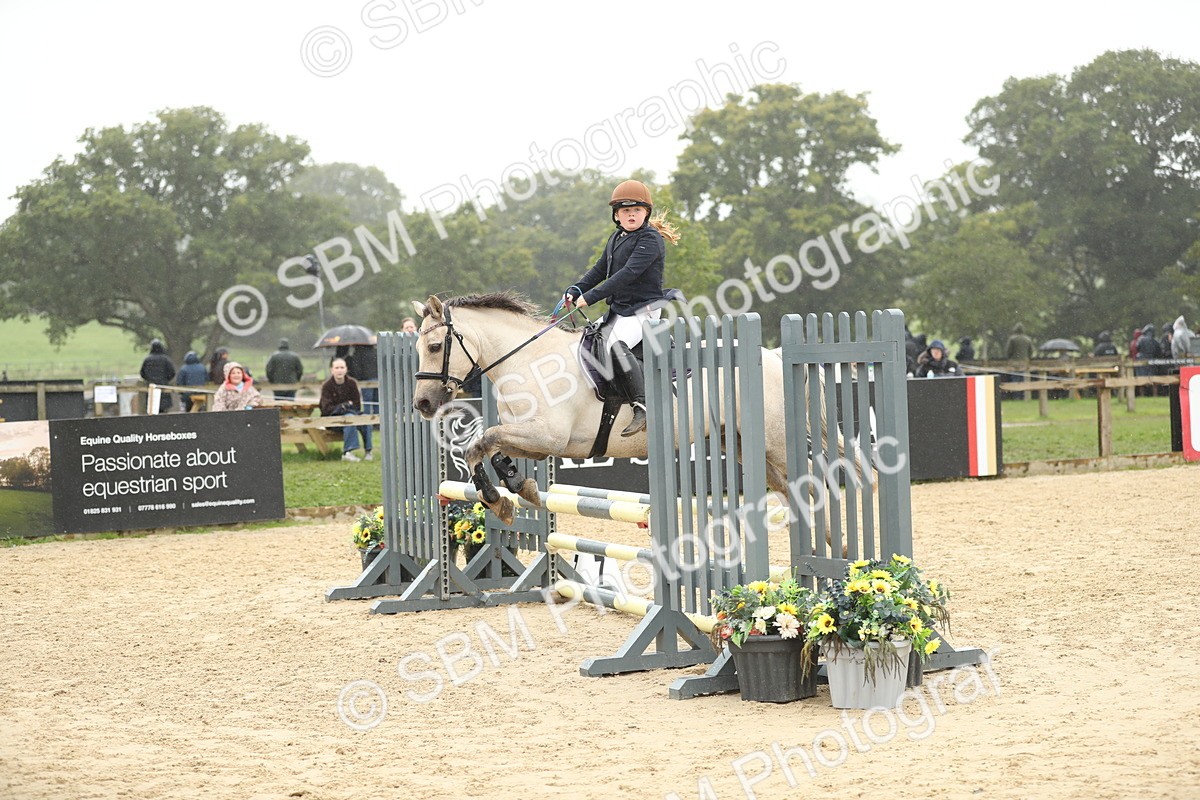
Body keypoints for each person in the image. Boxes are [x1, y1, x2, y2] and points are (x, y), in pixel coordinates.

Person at [561, 179, 683, 436]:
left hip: (644, 310)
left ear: (645, 212)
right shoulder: (616, 237)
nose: (631, 214)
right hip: (621, 309)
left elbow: (626, 275)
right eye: (625, 210)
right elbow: (599, 269)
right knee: (591, 342)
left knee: (616, 346)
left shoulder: (650, 240)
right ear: (616, 215)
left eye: (636, 210)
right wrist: (577, 289)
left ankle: (643, 406)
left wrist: (591, 297)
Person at [320, 357, 373, 461]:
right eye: (337, 367)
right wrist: (342, 406)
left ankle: (368, 451)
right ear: (332, 370)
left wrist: (347, 407)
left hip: (353, 413)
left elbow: (357, 405)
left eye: (342, 367)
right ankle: (347, 452)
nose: (339, 370)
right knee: (350, 418)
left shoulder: (352, 383)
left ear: (346, 369)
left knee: (365, 419)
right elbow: (326, 408)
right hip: (333, 419)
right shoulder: (327, 386)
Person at [139, 338, 176, 413]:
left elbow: (142, 373)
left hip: (151, 386)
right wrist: (166, 379)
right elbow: (172, 372)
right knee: (163, 410)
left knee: (152, 408)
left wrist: (149, 379)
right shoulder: (165, 359)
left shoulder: (147, 360)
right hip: (163, 387)